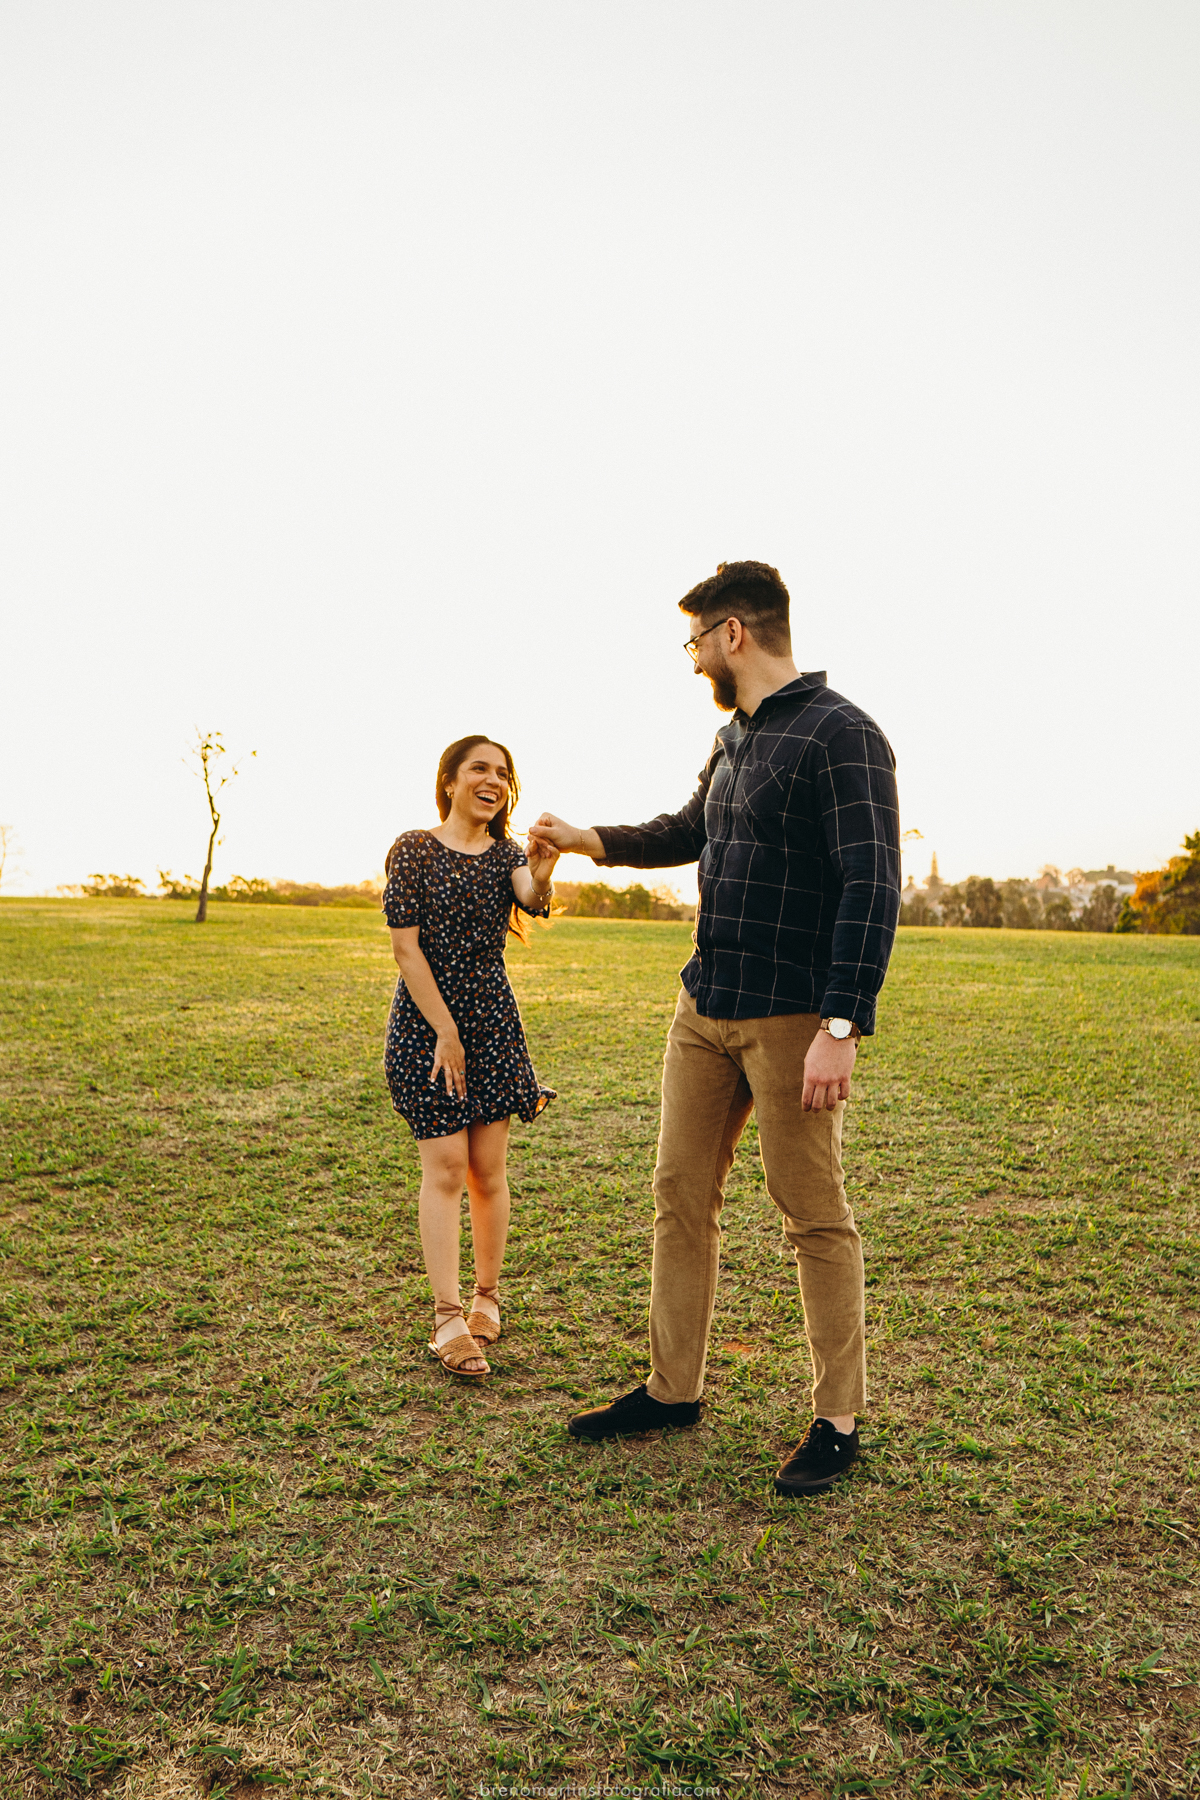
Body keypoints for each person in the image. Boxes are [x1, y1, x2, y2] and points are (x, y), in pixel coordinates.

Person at [530, 562, 900, 1494]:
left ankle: (838, 1420)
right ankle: (673, 1389)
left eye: (694, 639)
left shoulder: (843, 734)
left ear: (733, 633)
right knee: (678, 1194)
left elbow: (871, 884)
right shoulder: (731, 739)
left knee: (811, 1211)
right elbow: (686, 830)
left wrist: (841, 1022)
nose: (691, 657)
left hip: (791, 1017)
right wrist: (588, 840)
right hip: (705, 1007)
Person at [383, 735, 559, 1379]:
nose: (494, 781)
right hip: (429, 1027)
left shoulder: (505, 854)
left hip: (494, 1022)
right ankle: (447, 1316)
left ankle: (488, 1297)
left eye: (504, 773)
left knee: (488, 1168)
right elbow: (407, 951)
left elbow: (532, 899)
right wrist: (446, 1032)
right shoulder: (414, 850)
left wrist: (542, 867)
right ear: (450, 781)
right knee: (448, 1167)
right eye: (480, 769)